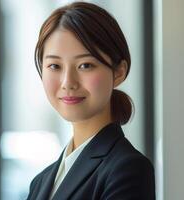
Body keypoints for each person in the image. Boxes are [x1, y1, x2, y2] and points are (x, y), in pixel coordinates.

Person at [26, 2, 155, 200]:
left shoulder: (128, 170)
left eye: (85, 65)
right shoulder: (40, 183)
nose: (68, 82)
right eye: (54, 66)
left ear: (119, 71)